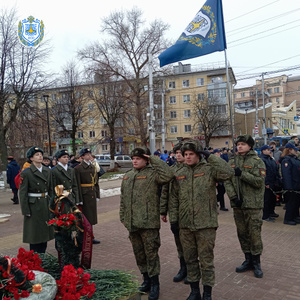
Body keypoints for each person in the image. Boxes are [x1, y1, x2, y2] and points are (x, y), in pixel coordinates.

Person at [169, 140, 234, 300]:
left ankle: (207, 293)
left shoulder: (209, 169)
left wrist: (210, 157)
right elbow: (174, 198)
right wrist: (174, 220)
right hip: (185, 225)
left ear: (199, 155)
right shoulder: (179, 172)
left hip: (206, 224)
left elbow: (228, 173)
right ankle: (194, 291)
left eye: (191, 154)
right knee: (190, 260)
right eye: (185, 154)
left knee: (206, 261)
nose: (188, 157)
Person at [120, 147, 174, 300]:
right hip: (132, 224)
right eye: (133, 158)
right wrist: (122, 216)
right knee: (139, 255)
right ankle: (146, 281)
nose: (134, 161)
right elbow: (123, 199)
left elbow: (168, 174)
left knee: (151, 254)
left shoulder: (153, 174)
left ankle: (155, 284)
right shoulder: (128, 176)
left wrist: (153, 159)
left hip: (148, 223)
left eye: (138, 158)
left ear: (145, 159)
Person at [224, 135, 265, 279]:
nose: (239, 146)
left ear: (250, 146)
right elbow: (227, 180)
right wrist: (233, 197)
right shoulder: (232, 161)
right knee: (242, 233)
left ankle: (256, 263)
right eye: (238, 144)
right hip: (238, 204)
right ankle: (247, 259)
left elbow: (259, 181)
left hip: (253, 204)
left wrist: (242, 174)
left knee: (254, 234)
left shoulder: (257, 161)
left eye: (242, 144)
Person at [160, 142, 187, 284]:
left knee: (190, 243)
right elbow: (165, 192)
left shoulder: (190, 169)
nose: (177, 155)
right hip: (174, 212)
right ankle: (183, 268)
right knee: (179, 242)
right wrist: (163, 210)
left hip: (188, 212)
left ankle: (191, 270)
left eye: (180, 153)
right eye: (175, 153)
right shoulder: (171, 170)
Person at [18, 147, 54, 253]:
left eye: (41, 154)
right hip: (33, 205)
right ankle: (35, 258)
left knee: (44, 231)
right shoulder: (26, 173)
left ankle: (42, 256)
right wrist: (25, 210)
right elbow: (23, 193)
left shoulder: (47, 171)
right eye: (37, 154)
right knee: (34, 233)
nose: (40, 156)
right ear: (31, 158)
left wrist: (52, 205)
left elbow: (51, 190)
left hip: (45, 203)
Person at [75, 147, 100, 244]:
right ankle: (82, 237)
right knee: (84, 217)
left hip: (92, 194)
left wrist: (97, 194)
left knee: (91, 217)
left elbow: (96, 182)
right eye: (87, 154)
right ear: (82, 156)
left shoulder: (93, 167)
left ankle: (90, 236)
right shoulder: (78, 168)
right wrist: (79, 198)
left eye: (90, 154)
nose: (89, 156)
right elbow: (77, 184)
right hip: (84, 195)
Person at [259, 145, 281, 222]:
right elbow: (263, 173)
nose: (269, 151)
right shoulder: (262, 160)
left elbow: (275, 170)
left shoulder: (271, 159)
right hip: (267, 183)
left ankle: (271, 212)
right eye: (268, 150)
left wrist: (278, 180)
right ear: (263, 151)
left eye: (270, 150)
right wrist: (266, 183)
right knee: (267, 200)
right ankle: (265, 216)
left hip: (273, 182)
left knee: (272, 199)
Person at [280, 143, 300, 225]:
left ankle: (295, 216)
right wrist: (289, 187)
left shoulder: (295, 159)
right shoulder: (286, 160)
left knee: (296, 203)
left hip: (297, 185)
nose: (296, 151)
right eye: (294, 150)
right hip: (292, 186)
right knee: (291, 203)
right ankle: (288, 219)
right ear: (290, 150)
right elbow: (286, 175)